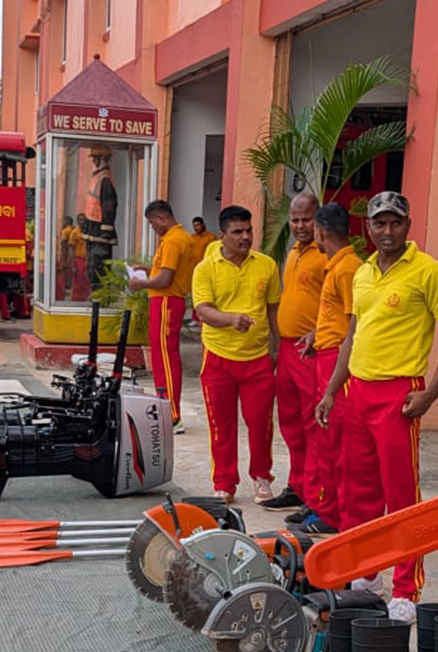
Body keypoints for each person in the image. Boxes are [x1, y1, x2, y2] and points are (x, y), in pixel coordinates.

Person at [316, 191, 438, 623]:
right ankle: (367, 574)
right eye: (378, 223)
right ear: (368, 228)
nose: (386, 231)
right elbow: (352, 337)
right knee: (359, 493)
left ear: (408, 225)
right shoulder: (362, 273)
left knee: (401, 496)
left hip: (399, 395)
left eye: (394, 223)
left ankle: (407, 587)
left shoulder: (429, 272)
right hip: (357, 393)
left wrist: (432, 393)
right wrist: (331, 390)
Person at [191, 205, 280, 504]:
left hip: (257, 359)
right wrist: (231, 319)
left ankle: (261, 478)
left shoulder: (266, 265)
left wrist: (276, 348)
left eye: (249, 230)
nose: (245, 237)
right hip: (218, 358)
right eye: (238, 232)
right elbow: (203, 310)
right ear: (222, 236)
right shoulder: (205, 268)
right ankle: (225, 483)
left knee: (260, 424)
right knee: (221, 425)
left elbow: (273, 310)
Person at [295, 201, 360, 535]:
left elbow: (354, 326)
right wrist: (315, 335)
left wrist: (335, 382)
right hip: (326, 354)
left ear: (320, 231)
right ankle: (324, 506)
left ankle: (335, 516)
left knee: (336, 440)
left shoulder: (348, 268)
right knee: (323, 436)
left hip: (339, 361)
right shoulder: (337, 266)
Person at [266, 193, 325, 510]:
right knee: (289, 422)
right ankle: (297, 485)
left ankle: (315, 496)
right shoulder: (293, 254)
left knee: (311, 423)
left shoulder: (326, 256)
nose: (300, 225)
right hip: (288, 349)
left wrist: (319, 333)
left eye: (307, 219)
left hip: (310, 351)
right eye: (295, 219)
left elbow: (339, 306)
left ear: (319, 220)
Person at [127, 199, 194, 430]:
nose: (153, 228)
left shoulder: (173, 241)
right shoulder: (180, 237)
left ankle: (172, 414)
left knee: (164, 358)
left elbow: (165, 280)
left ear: (160, 218)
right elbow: (167, 272)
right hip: (167, 302)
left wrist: (140, 284)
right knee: (164, 357)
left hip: (166, 302)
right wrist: (148, 271)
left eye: (152, 223)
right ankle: (168, 408)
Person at [80, 145, 117, 290]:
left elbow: (109, 206)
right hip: (93, 228)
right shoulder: (98, 177)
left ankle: (100, 299)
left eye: (95, 158)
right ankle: (96, 296)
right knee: (92, 267)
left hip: (100, 232)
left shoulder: (105, 179)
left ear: (102, 158)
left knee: (98, 268)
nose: (94, 161)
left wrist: (106, 230)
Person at [56, 216, 78, 300]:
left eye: (64, 221)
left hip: (66, 254)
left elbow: (64, 244)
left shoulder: (65, 231)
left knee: (63, 273)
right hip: (74, 254)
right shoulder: (75, 230)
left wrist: (63, 258)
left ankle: (62, 293)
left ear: (66, 222)